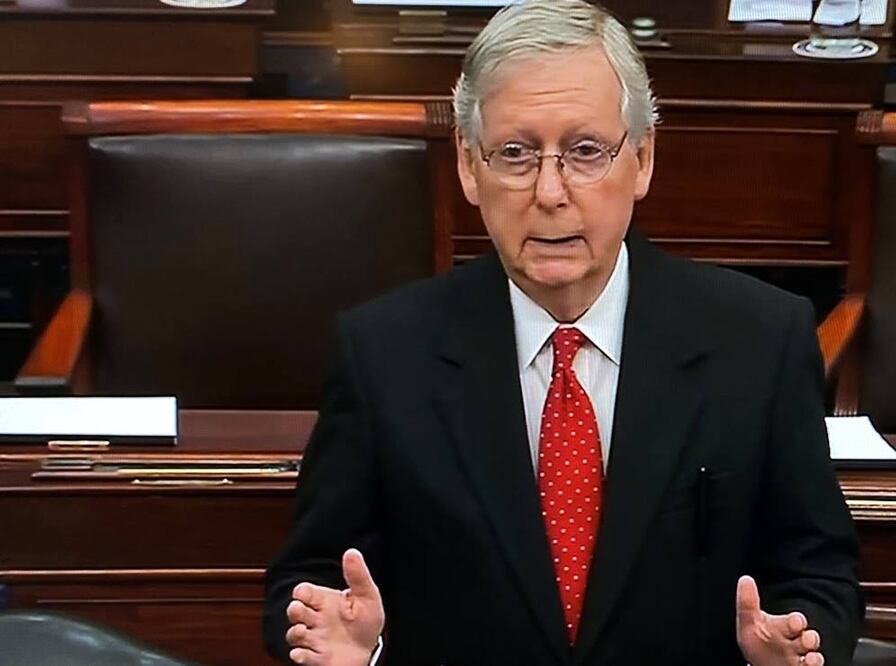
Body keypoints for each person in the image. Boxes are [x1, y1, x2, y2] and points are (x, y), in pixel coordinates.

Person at [263, 1, 863, 664]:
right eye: (515, 154)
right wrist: (356, 649)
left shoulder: (760, 340)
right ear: (468, 165)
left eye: (584, 152)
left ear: (641, 159)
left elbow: (817, 570)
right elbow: (311, 581)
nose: (549, 192)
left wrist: (795, 650)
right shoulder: (382, 353)